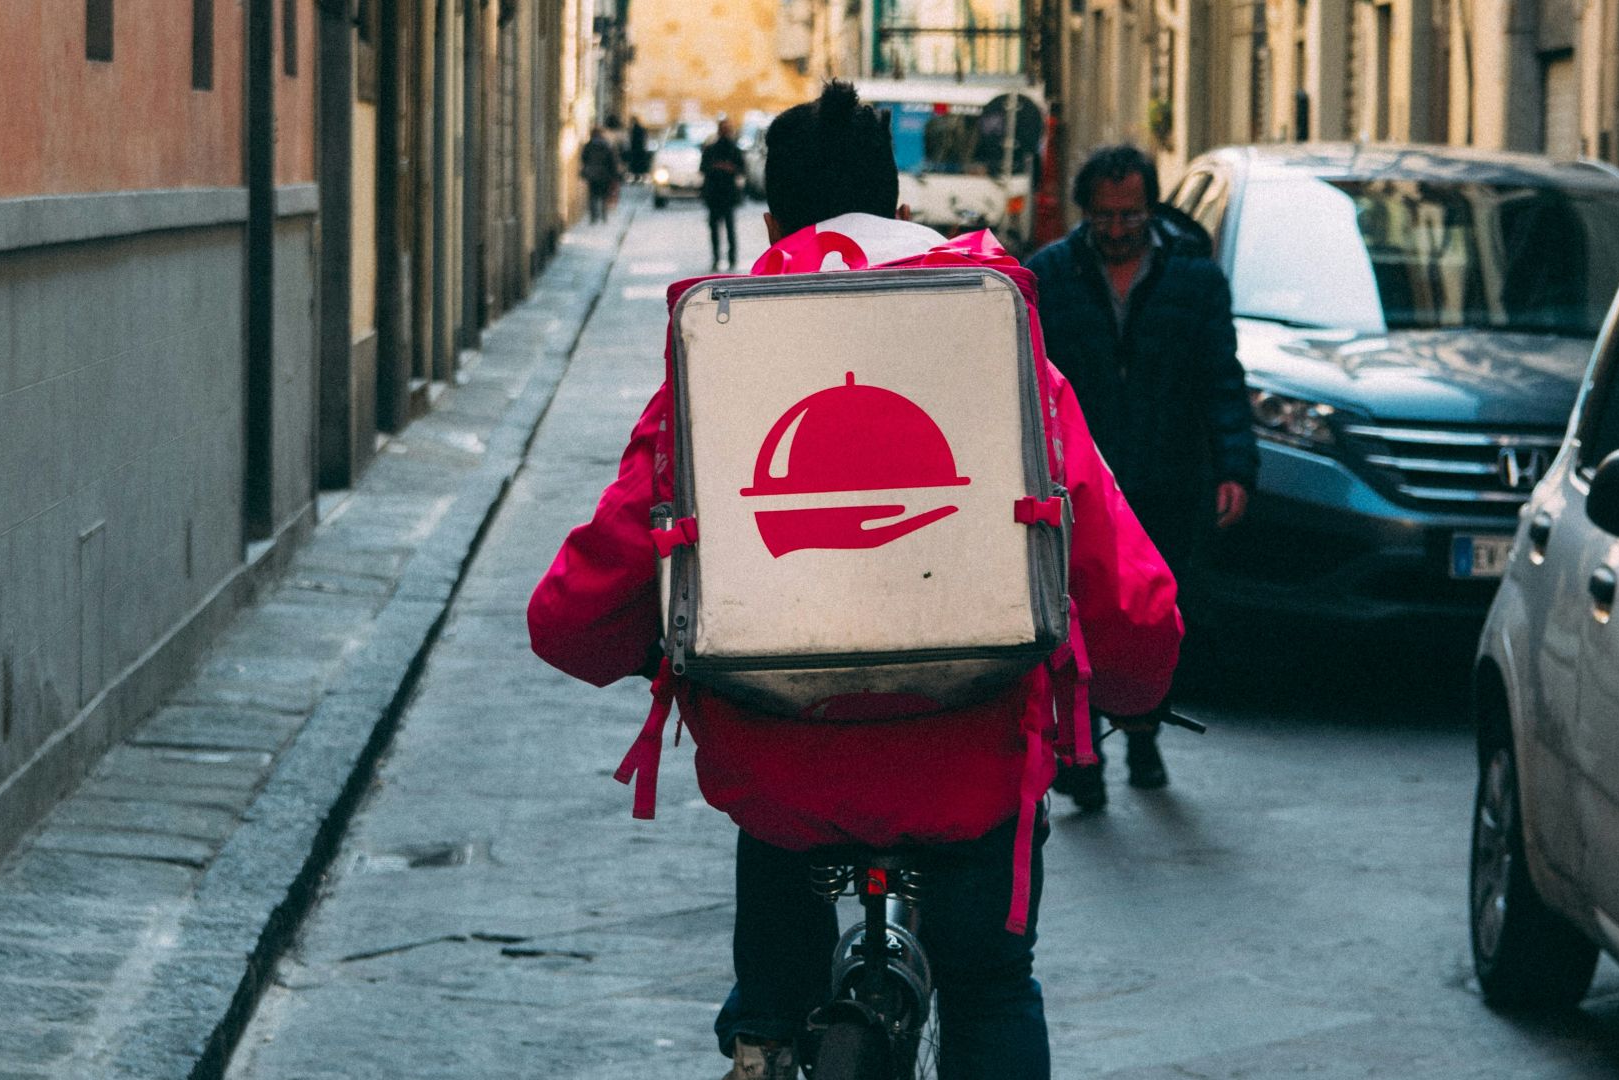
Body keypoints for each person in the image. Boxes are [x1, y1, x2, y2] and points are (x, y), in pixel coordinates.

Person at [527, 83, 1182, 1080]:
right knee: (992, 987)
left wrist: (636, 645)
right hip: (971, 763)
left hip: (783, 770)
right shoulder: (995, 339)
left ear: (771, 224)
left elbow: (581, 604)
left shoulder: (720, 357)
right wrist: (1134, 688)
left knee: (775, 852)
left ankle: (764, 1034)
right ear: (903, 210)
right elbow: (1114, 572)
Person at [1023, 144, 1257, 809]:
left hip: (1169, 477)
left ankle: (1145, 734)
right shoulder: (1050, 276)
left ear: (1151, 209)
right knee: (1079, 620)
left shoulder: (1196, 280)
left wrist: (1235, 466)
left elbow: (1221, 379)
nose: (1118, 229)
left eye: (1129, 215)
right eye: (1104, 216)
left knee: (1154, 621)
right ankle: (1085, 757)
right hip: (1081, 485)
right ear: (1085, 212)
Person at [702, 116, 747, 271]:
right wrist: (719, 167)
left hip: (726, 194)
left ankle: (731, 258)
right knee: (717, 228)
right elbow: (703, 167)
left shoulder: (733, 149)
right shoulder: (711, 149)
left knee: (728, 227)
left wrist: (729, 168)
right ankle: (717, 258)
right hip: (716, 193)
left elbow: (742, 168)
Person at [580, 124, 619, 224]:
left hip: (592, 174)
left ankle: (594, 217)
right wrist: (614, 174)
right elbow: (611, 161)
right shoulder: (606, 145)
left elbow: (584, 158)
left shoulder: (588, 145)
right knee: (603, 195)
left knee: (593, 195)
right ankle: (603, 216)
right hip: (604, 174)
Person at [628, 115, 651, 182]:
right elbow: (645, 138)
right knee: (641, 165)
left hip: (635, 150)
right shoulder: (641, 129)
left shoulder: (633, 129)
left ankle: (637, 177)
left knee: (636, 165)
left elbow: (632, 140)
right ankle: (642, 177)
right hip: (641, 150)